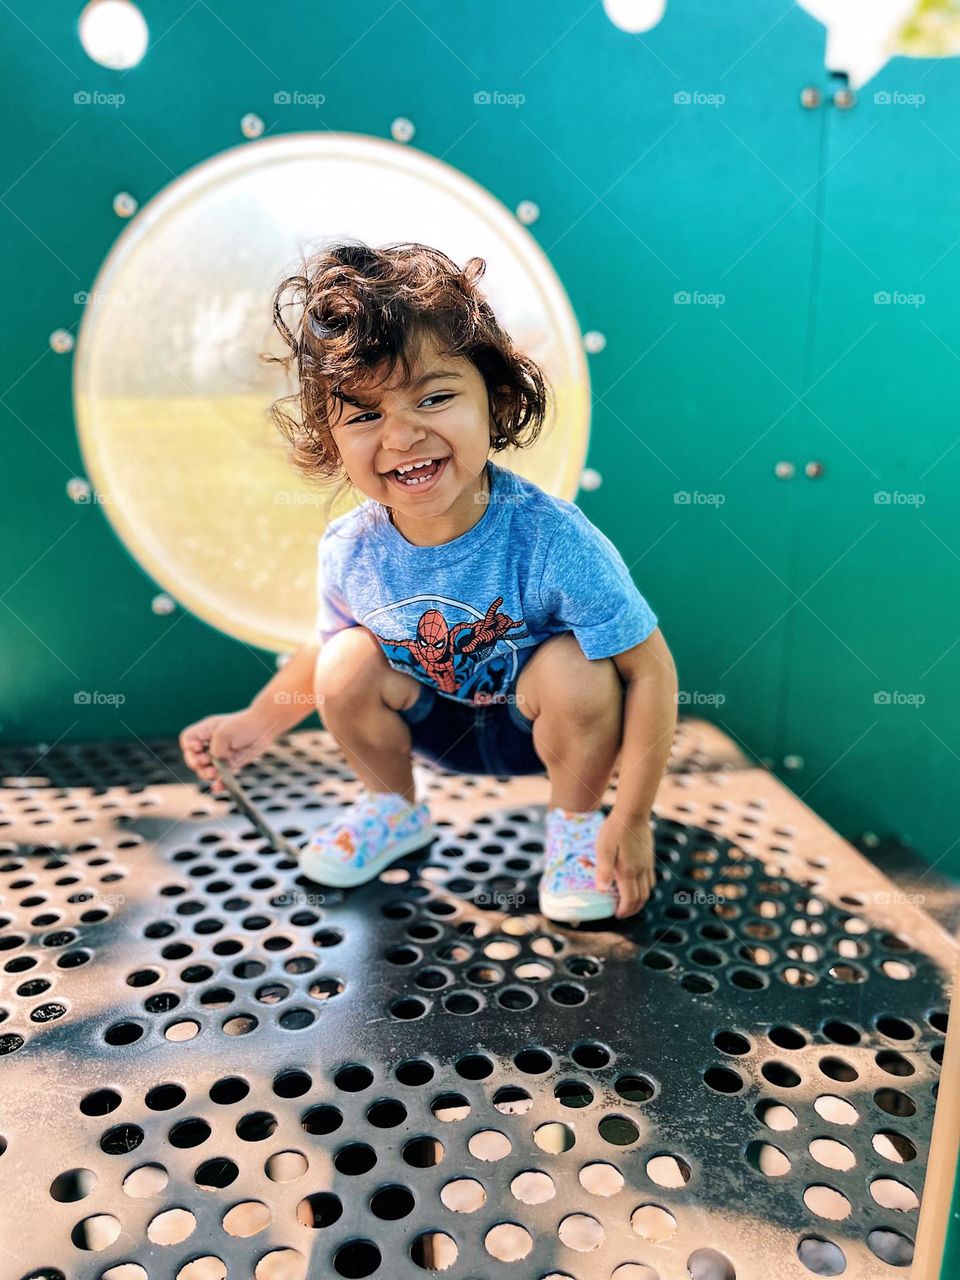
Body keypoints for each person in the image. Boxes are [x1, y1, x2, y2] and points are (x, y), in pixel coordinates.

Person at [180, 240, 678, 924]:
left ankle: (577, 826)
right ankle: (392, 808)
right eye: (364, 414)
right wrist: (255, 725)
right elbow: (320, 654)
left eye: (435, 397)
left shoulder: (552, 539)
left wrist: (636, 814)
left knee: (577, 669)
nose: (403, 434)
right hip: (435, 724)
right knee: (346, 657)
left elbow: (650, 671)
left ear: (495, 401)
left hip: (537, 730)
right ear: (331, 437)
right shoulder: (352, 548)